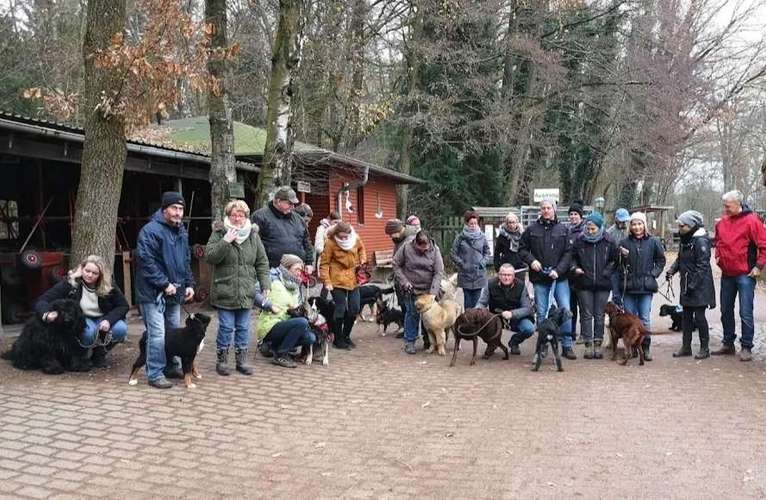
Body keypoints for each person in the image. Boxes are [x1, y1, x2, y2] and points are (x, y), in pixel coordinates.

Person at [135, 191, 195, 389]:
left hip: (174, 292)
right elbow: (146, 262)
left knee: (173, 332)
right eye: (174, 208)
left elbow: (185, 261)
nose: (178, 213)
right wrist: (163, 284)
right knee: (158, 333)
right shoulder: (150, 231)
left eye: (181, 209)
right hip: (152, 293)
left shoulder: (181, 231)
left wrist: (189, 284)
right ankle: (155, 373)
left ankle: (171, 366)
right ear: (164, 209)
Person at [205, 200, 270, 376]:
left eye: (241, 215)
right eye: (234, 215)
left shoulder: (253, 235)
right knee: (226, 326)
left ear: (246, 217)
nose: (237, 218)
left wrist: (265, 284)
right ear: (228, 216)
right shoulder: (219, 233)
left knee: (243, 327)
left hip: (246, 290)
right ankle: (222, 361)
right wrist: (226, 241)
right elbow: (210, 257)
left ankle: (242, 361)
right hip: (225, 290)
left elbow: (262, 262)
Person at [35, 255, 129, 368]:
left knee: (121, 329)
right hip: (83, 319)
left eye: (95, 273)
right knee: (88, 334)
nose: (89, 275)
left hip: (103, 318)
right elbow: (43, 300)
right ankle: (82, 354)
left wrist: (108, 320)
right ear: (81, 269)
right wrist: (46, 314)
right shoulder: (70, 284)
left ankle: (100, 352)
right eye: (87, 271)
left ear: (101, 275)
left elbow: (123, 306)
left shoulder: (108, 285)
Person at [711, 190, 766, 361]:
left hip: (745, 274)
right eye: (724, 205)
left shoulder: (752, 221)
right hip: (727, 274)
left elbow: (764, 245)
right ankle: (728, 343)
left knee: (745, 312)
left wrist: (758, 266)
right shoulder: (721, 223)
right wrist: (718, 257)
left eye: (728, 205)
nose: (725, 208)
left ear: (738, 203)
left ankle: (747, 346)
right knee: (726, 310)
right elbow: (718, 243)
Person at [519, 198, 576, 359]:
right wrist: (532, 261)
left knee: (565, 310)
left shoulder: (563, 230)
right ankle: (542, 346)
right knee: (542, 313)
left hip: (560, 279)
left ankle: (567, 345)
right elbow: (522, 250)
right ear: (540, 210)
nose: (546, 210)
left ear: (554, 209)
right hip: (540, 279)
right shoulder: (531, 229)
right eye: (543, 208)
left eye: (548, 208)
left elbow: (568, 253)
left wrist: (558, 270)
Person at [667, 210, 715, 360]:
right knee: (686, 317)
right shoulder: (685, 239)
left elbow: (703, 266)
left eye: (683, 226)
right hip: (687, 285)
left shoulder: (701, 241)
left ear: (692, 225)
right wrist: (671, 270)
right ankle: (686, 347)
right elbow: (680, 259)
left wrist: (693, 285)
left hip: (700, 287)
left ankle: (704, 348)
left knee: (700, 318)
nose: (680, 228)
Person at [617, 211, 665, 361]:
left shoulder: (654, 241)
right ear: (630, 226)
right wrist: (622, 259)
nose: (637, 227)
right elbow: (617, 265)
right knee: (630, 319)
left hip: (646, 286)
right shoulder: (624, 242)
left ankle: (646, 347)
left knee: (644, 318)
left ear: (644, 225)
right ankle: (632, 347)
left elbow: (661, 260)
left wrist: (653, 273)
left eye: (639, 224)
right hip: (629, 286)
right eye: (634, 224)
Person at [255, 254, 317, 368]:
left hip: (287, 322)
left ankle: (272, 347)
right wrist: (269, 305)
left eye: (301, 270)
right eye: (296, 269)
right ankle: (281, 355)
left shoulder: (296, 285)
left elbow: (297, 305)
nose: (299, 272)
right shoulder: (271, 278)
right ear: (287, 267)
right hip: (270, 324)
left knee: (310, 337)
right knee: (301, 322)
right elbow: (253, 293)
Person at [571, 212, 617, 359]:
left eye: (593, 229)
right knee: (586, 314)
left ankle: (598, 343)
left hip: (603, 283)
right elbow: (571, 258)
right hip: (584, 282)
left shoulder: (609, 241)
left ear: (599, 227)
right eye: (588, 228)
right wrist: (575, 268)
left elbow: (614, 260)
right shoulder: (579, 241)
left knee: (599, 314)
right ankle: (588, 344)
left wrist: (607, 272)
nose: (590, 231)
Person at [393, 230, 444, 354]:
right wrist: (404, 281)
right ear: (416, 242)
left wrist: (433, 292)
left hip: (428, 290)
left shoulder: (435, 250)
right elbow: (396, 264)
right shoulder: (406, 248)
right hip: (411, 288)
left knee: (430, 317)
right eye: (420, 247)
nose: (423, 249)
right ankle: (409, 342)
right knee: (411, 314)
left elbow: (439, 272)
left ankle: (429, 340)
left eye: (425, 247)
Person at [319, 221, 367, 349]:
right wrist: (327, 281)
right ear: (336, 234)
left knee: (355, 308)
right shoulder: (330, 243)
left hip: (353, 277)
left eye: (346, 236)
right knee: (340, 308)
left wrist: (362, 259)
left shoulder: (355, 238)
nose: (344, 239)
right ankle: (338, 338)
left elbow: (362, 249)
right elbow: (324, 264)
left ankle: (346, 335)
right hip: (337, 279)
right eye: (341, 237)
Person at [252, 186, 315, 272]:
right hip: (271, 271)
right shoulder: (260, 216)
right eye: (290, 203)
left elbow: (306, 241)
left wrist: (309, 262)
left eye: (294, 204)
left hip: (297, 271)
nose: (293, 207)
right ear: (278, 201)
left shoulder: (298, 219)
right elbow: (253, 245)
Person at [476, 264, 535, 355]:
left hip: (516, 318)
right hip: (495, 317)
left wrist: (512, 314)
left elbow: (527, 308)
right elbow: (482, 302)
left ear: (513, 276)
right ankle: (492, 343)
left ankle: (514, 342)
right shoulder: (490, 284)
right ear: (499, 275)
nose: (506, 278)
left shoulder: (521, 286)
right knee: (480, 321)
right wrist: (477, 311)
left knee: (529, 328)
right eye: (503, 275)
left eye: (509, 275)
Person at [451, 210, 491, 309]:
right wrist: (462, 264)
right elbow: (453, 253)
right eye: (471, 223)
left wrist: (484, 262)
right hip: (465, 274)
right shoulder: (460, 238)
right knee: (468, 302)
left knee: (478, 302)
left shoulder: (482, 237)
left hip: (479, 274)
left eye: (475, 223)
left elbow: (487, 252)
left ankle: (478, 324)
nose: (473, 225)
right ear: (467, 224)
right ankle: (468, 323)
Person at [386, 218, 416, 339]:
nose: (390, 236)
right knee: (403, 305)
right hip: (399, 279)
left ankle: (411, 333)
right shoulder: (398, 239)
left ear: (398, 230)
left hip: (407, 279)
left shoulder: (410, 240)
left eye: (391, 233)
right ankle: (406, 328)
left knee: (409, 307)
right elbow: (396, 259)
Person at [566, 201, 586, 341]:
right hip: (568, 274)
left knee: (584, 306)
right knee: (570, 306)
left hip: (582, 274)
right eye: (571, 214)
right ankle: (571, 332)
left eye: (576, 214)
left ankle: (584, 333)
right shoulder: (566, 230)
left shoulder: (586, 231)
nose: (573, 216)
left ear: (581, 216)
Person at [606, 208, 631, 307]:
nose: (623, 223)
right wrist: (619, 250)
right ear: (616, 219)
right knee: (616, 294)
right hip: (615, 267)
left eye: (625, 221)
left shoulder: (629, 231)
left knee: (627, 293)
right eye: (621, 220)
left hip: (628, 266)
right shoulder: (609, 232)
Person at [493, 212, 525, 281]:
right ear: (506, 223)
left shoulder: (522, 235)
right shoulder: (502, 236)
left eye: (513, 222)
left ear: (517, 223)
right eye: (509, 222)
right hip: (506, 267)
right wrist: (497, 267)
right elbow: (497, 252)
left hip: (520, 267)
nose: (511, 225)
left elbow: (526, 249)